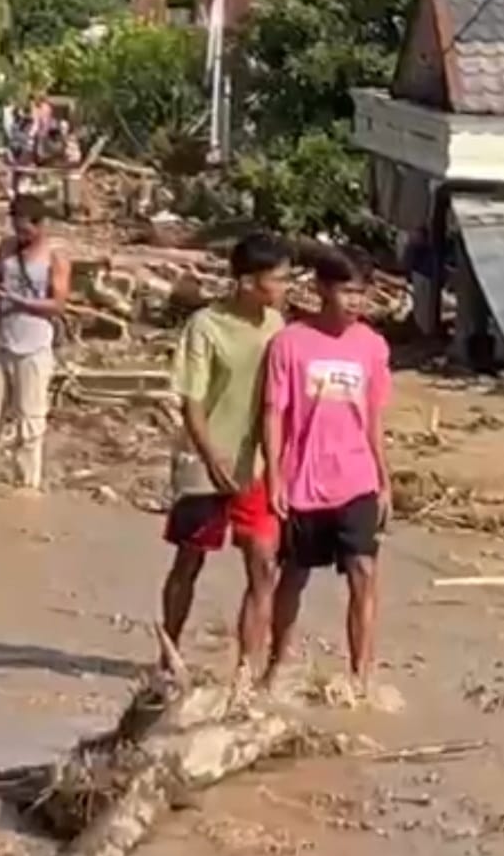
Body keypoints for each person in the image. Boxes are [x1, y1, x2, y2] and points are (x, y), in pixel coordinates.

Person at [160, 234, 291, 686]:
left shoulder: (277, 324)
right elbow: (191, 401)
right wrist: (209, 452)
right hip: (205, 461)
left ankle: (245, 669)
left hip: (256, 463)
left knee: (263, 562)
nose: (285, 286)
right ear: (247, 282)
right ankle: (170, 654)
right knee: (189, 558)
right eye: (278, 279)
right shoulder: (205, 326)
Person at [263, 249, 392, 698]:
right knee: (294, 574)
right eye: (346, 291)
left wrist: (384, 478)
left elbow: (374, 418)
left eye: (362, 292)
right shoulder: (289, 342)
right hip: (301, 480)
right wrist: (275, 477)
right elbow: (273, 414)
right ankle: (277, 664)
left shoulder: (372, 346)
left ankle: (361, 675)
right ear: (321, 288)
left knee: (363, 570)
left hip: (356, 478)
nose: (355, 302)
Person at [0, 195, 69, 493]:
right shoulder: (6, 248)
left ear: (40, 226)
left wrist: (18, 299)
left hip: (35, 345)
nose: (21, 236)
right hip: (2, 341)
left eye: (26, 230)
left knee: (30, 422)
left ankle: (25, 485)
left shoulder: (55, 257)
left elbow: (58, 304)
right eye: (17, 228)